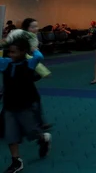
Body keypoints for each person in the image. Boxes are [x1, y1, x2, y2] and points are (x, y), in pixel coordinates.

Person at [0, 36, 52, 173]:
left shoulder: (29, 63)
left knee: (32, 132)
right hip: (9, 106)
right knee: (11, 135)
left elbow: (39, 56)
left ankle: (43, 138)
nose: (11, 55)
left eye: (14, 52)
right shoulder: (5, 63)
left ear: (23, 52)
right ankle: (16, 161)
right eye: (10, 52)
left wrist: (34, 49)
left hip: (25, 106)